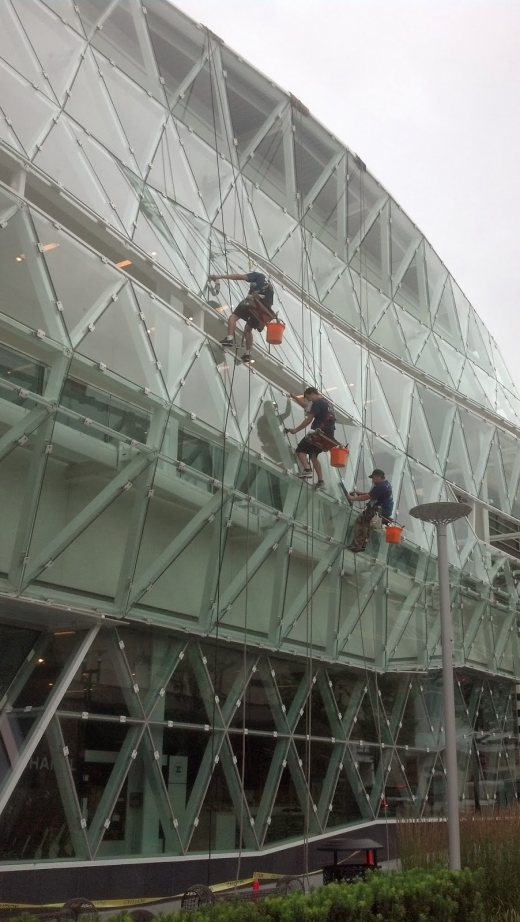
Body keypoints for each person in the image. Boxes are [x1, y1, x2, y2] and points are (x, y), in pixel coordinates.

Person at [209, 270, 275, 364]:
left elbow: (239, 276)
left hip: (253, 301)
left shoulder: (258, 275)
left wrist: (220, 276)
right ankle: (248, 353)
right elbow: (270, 304)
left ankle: (229, 339)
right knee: (248, 329)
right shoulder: (269, 286)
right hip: (262, 310)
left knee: (233, 317)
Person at [287, 387, 336, 490]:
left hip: (319, 432)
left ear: (313, 393)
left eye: (309, 397)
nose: (309, 400)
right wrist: (295, 397)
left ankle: (307, 470)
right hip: (328, 435)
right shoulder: (326, 403)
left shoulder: (317, 402)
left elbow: (309, 419)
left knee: (300, 450)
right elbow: (306, 406)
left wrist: (296, 430)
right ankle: (321, 482)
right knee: (313, 456)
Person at [346, 469, 393, 553]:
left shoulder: (380, 486)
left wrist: (353, 498)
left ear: (379, 477)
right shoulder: (386, 485)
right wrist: (360, 493)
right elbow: (372, 494)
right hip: (381, 511)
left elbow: (368, 497)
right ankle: (361, 545)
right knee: (364, 524)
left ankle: (357, 545)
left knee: (362, 523)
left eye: (374, 477)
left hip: (376, 511)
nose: (373, 480)